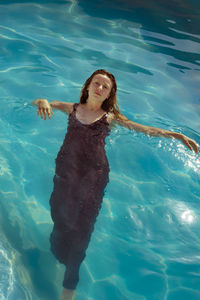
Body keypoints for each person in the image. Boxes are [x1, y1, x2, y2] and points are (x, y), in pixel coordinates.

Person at [32, 69, 198, 300]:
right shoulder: (72, 108)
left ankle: (68, 287)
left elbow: (145, 129)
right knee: (59, 213)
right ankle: (61, 253)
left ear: (109, 94)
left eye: (105, 87)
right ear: (88, 85)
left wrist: (176, 136)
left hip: (93, 176)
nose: (99, 88)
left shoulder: (109, 117)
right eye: (96, 83)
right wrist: (42, 102)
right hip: (65, 170)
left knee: (82, 229)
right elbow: (41, 102)